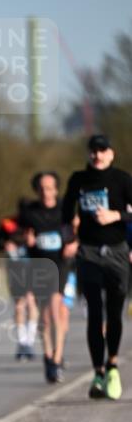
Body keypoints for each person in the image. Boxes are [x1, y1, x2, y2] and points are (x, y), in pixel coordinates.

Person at [62, 134, 132, 400]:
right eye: (93, 150)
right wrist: (68, 235)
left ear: (111, 154)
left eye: (102, 150)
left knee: (114, 313)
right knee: (94, 312)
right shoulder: (78, 179)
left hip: (116, 250)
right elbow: (66, 210)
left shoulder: (123, 180)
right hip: (88, 251)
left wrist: (117, 215)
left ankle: (113, 364)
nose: (97, 155)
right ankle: (98, 372)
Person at [18, 171, 74, 383]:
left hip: (60, 264)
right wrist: (28, 240)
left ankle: (57, 358)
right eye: (41, 188)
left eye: (49, 187)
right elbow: (24, 236)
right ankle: (48, 356)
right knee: (45, 316)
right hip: (39, 265)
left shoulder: (64, 209)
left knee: (56, 309)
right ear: (36, 190)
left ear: (56, 189)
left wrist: (73, 244)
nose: (46, 192)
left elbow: (76, 230)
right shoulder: (29, 211)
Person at [0, 211, 39, 360]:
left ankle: (30, 340)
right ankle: (22, 342)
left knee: (31, 302)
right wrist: (6, 244)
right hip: (15, 270)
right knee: (19, 305)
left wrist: (32, 242)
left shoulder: (34, 224)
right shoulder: (7, 224)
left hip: (32, 269)